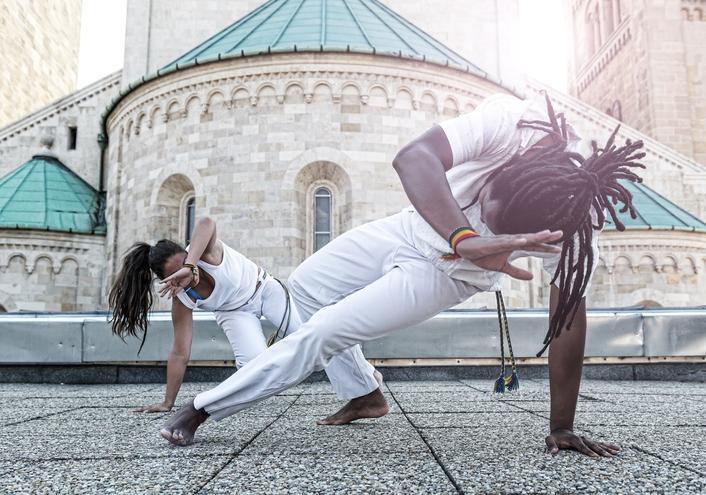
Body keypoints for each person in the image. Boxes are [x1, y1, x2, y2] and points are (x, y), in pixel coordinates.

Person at [158, 92, 644, 457]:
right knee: (304, 287)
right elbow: (413, 158)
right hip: (414, 227)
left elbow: (566, 326)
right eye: (492, 208)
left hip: (450, 274)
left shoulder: (575, 231)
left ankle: (201, 409)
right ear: (516, 166)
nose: (488, 219)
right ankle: (364, 392)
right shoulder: (514, 124)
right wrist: (468, 236)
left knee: (324, 330)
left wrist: (561, 424)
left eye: (501, 225)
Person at [109, 216, 381, 413]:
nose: (185, 275)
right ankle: (362, 379)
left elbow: (206, 222)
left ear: (189, 252)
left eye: (184, 263)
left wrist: (190, 264)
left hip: (263, 290)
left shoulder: (207, 254)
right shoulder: (182, 296)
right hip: (233, 312)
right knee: (254, 368)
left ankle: (366, 382)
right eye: (175, 274)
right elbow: (180, 351)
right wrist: (167, 402)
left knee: (315, 335)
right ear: (168, 279)